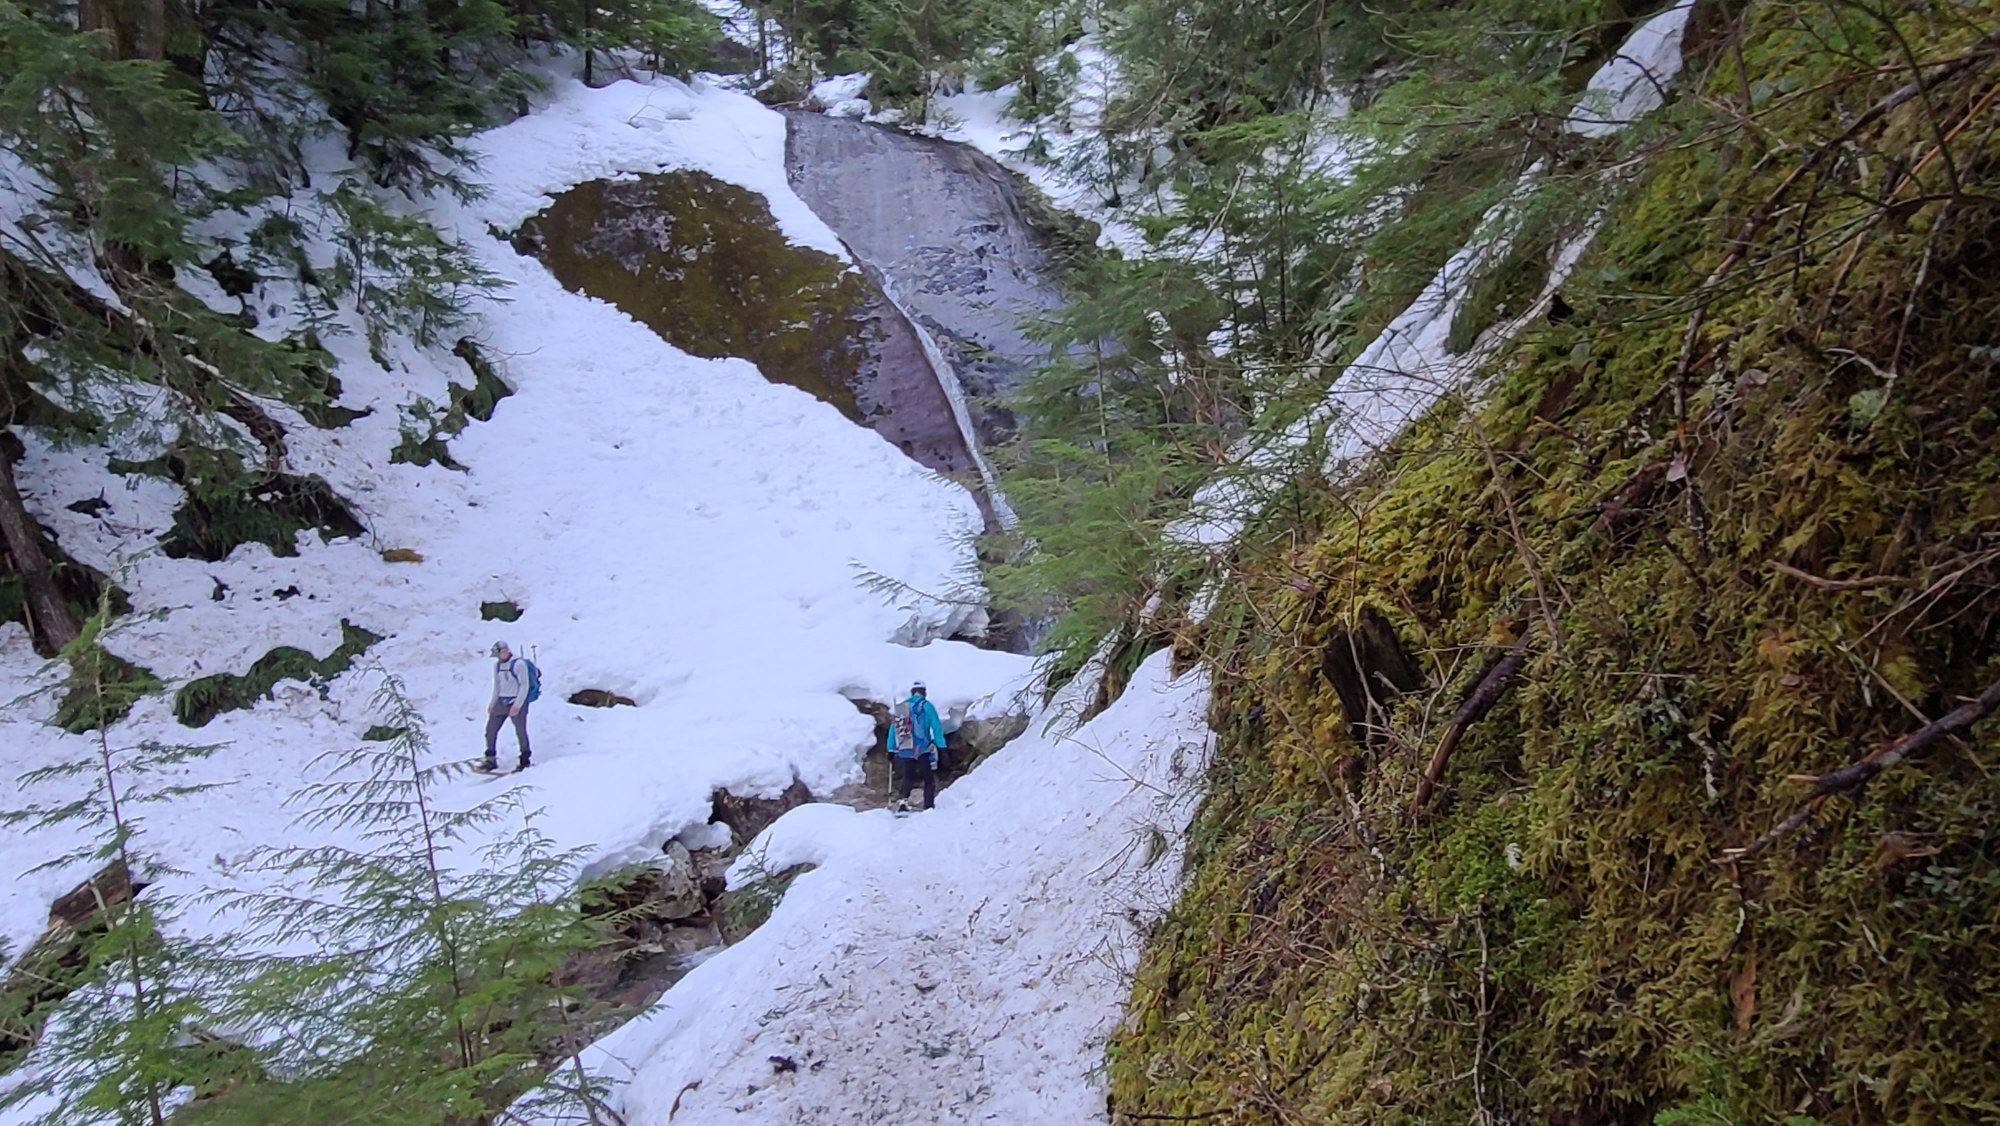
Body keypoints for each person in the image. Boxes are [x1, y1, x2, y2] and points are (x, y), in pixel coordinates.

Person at [886, 680, 945, 813]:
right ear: (924, 692)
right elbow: (936, 728)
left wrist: (890, 749)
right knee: (928, 777)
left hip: (905, 748)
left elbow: (893, 730)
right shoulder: (927, 706)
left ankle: (902, 801)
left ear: (912, 692)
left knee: (908, 775)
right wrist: (942, 748)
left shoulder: (902, 707)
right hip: (922, 749)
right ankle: (928, 805)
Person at [477, 641, 532, 773]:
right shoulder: (497, 666)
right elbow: (497, 686)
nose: (498, 658)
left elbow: (524, 685)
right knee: (490, 731)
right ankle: (490, 759)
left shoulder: (519, 664)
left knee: (520, 731)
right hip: (501, 701)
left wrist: (517, 705)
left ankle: (525, 759)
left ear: (505, 651)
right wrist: (492, 703)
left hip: (516, 701)